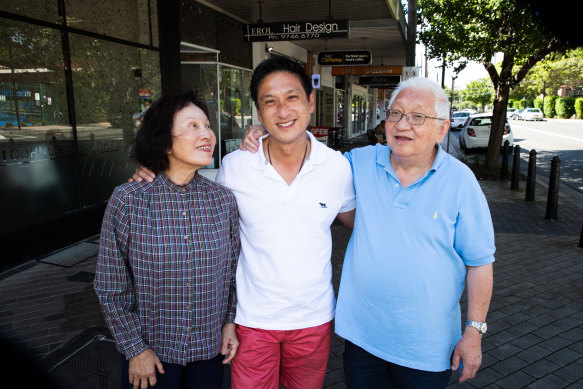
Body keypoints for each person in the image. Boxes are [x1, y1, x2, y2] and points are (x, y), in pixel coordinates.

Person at [241, 77, 494, 387]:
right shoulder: (358, 163)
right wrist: (265, 134)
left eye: (418, 117)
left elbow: (480, 263)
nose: (403, 125)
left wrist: (474, 330)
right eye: (396, 113)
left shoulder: (460, 181)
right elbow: (307, 158)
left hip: (426, 346)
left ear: (442, 129)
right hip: (363, 338)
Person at [131, 57, 356, 388]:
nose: (282, 111)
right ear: (259, 112)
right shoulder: (235, 166)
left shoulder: (337, 167)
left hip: (314, 317)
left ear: (310, 102)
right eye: (270, 102)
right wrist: (151, 172)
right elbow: (196, 199)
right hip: (251, 320)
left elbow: (360, 222)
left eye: (292, 98)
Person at [95, 90, 240, 389]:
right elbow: (111, 286)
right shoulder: (128, 200)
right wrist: (134, 348)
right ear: (164, 140)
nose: (208, 134)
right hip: (152, 355)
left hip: (208, 350)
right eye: (193, 126)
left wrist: (230, 322)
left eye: (208, 125)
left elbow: (233, 273)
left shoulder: (222, 200)